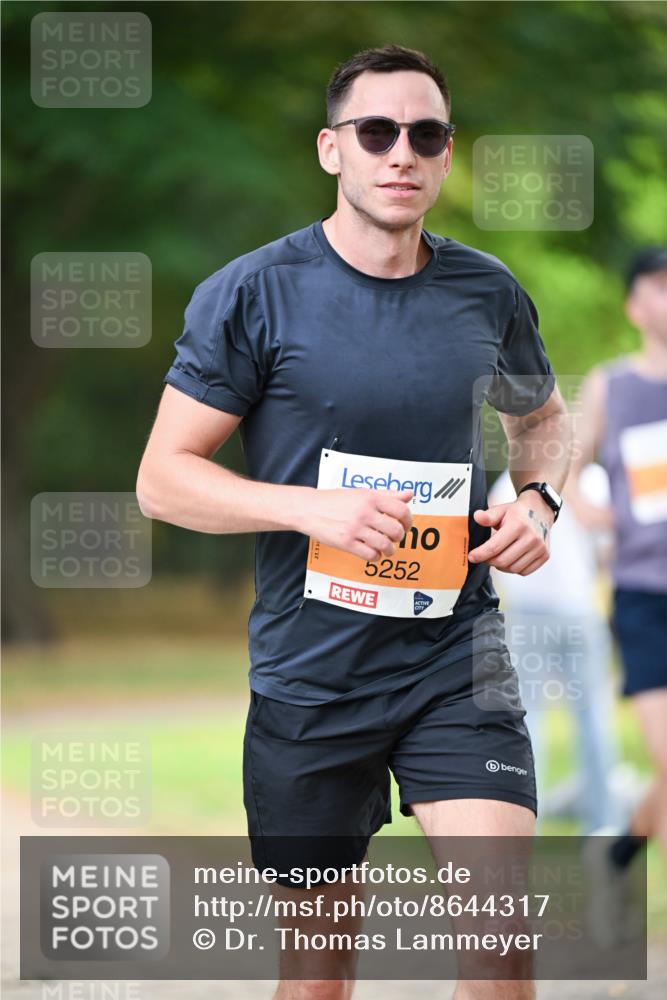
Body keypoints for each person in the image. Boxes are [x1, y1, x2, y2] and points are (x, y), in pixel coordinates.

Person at [137, 44, 571, 1000]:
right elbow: (163, 481)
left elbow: (539, 421)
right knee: (319, 974)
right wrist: (309, 508)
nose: (400, 153)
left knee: (502, 951)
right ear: (332, 150)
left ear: (447, 155)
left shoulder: (486, 291)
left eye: (425, 134)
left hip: (456, 653)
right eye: (376, 132)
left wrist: (538, 499)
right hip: (311, 671)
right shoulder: (253, 293)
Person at [569, 247, 667, 874]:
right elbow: (569, 469)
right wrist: (584, 508)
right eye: (659, 287)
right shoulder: (611, 384)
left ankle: (622, 850)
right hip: (642, 595)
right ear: (635, 305)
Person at [488, 465, 622, 833]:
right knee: (589, 717)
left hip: (548, 614)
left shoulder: (514, 480)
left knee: (532, 722)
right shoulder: (594, 479)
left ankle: (534, 820)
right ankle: (602, 823)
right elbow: (607, 552)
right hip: (573, 612)